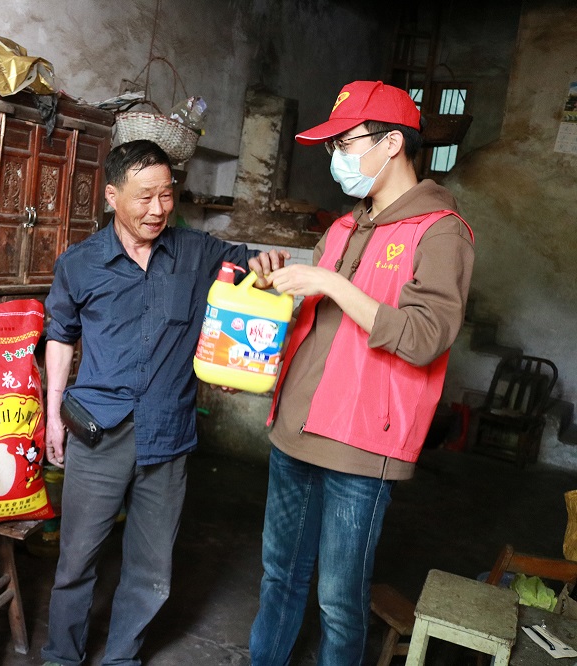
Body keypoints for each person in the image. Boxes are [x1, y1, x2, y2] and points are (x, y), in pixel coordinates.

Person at [246, 80, 475, 665]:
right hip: (295, 429)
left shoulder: (440, 231)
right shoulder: (345, 227)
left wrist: (329, 282)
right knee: (279, 578)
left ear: (391, 143)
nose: (336, 159)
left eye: (345, 143)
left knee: (339, 601)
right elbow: (314, 320)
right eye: (333, 147)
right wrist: (276, 283)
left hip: (361, 444)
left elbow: (424, 337)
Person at [40, 139, 282, 666]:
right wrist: (52, 415)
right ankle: (62, 656)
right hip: (98, 432)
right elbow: (60, 335)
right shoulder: (79, 264)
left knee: (152, 570)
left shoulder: (198, 253)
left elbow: (255, 270)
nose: (157, 209)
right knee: (76, 559)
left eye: (166, 195)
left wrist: (266, 263)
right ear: (112, 197)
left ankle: (122, 657)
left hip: (168, 433)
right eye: (144, 196)